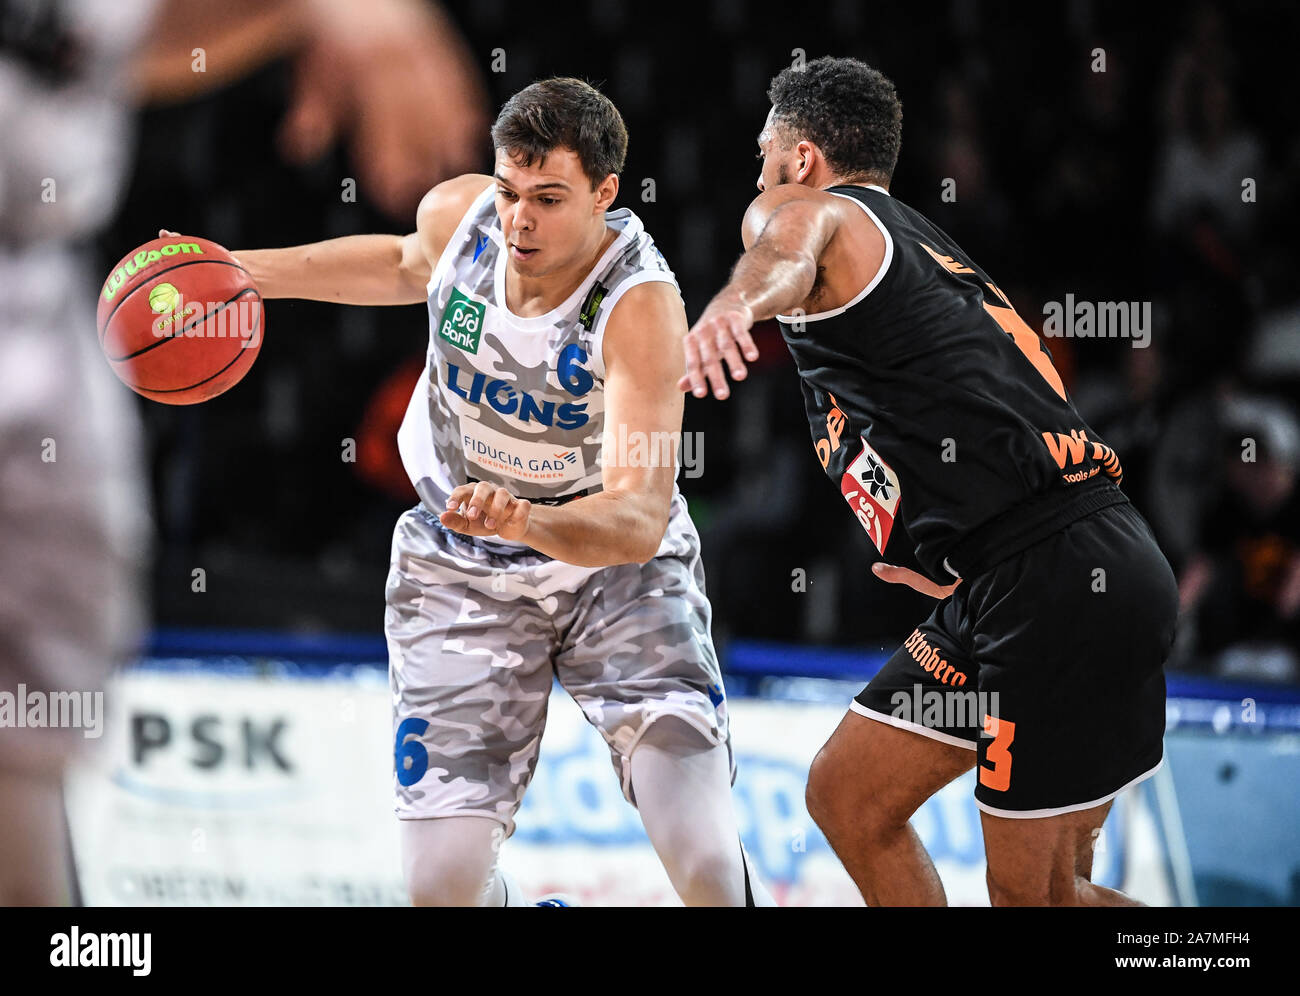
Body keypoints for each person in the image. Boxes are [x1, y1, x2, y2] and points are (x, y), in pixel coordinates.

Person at [211, 77, 773, 907]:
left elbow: (637, 518)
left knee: (709, 871)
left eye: (549, 199)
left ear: (604, 194)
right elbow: (403, 262)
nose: (519, 219)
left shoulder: (638, 306)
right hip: (459, 567)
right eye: (511, 192)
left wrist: (530, 519)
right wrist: (240, 272)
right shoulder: (464, 217)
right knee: (440, 891)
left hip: (614, 578)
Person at [0, 0, 483, 905]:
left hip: (35, 297)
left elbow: (88, 46)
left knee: (24, 760)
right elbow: (403, 265)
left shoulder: (627, 285)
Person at [681, 56, 1180, 906]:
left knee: (1037, 898)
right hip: (1035, 568)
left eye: (766, 153)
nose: (758, 176)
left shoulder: (813, 214)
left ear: (801, 159)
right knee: (850, 795)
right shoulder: (919, 243)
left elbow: (787, 243)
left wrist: (735, 302)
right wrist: (954, 538)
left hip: (1058, 577)